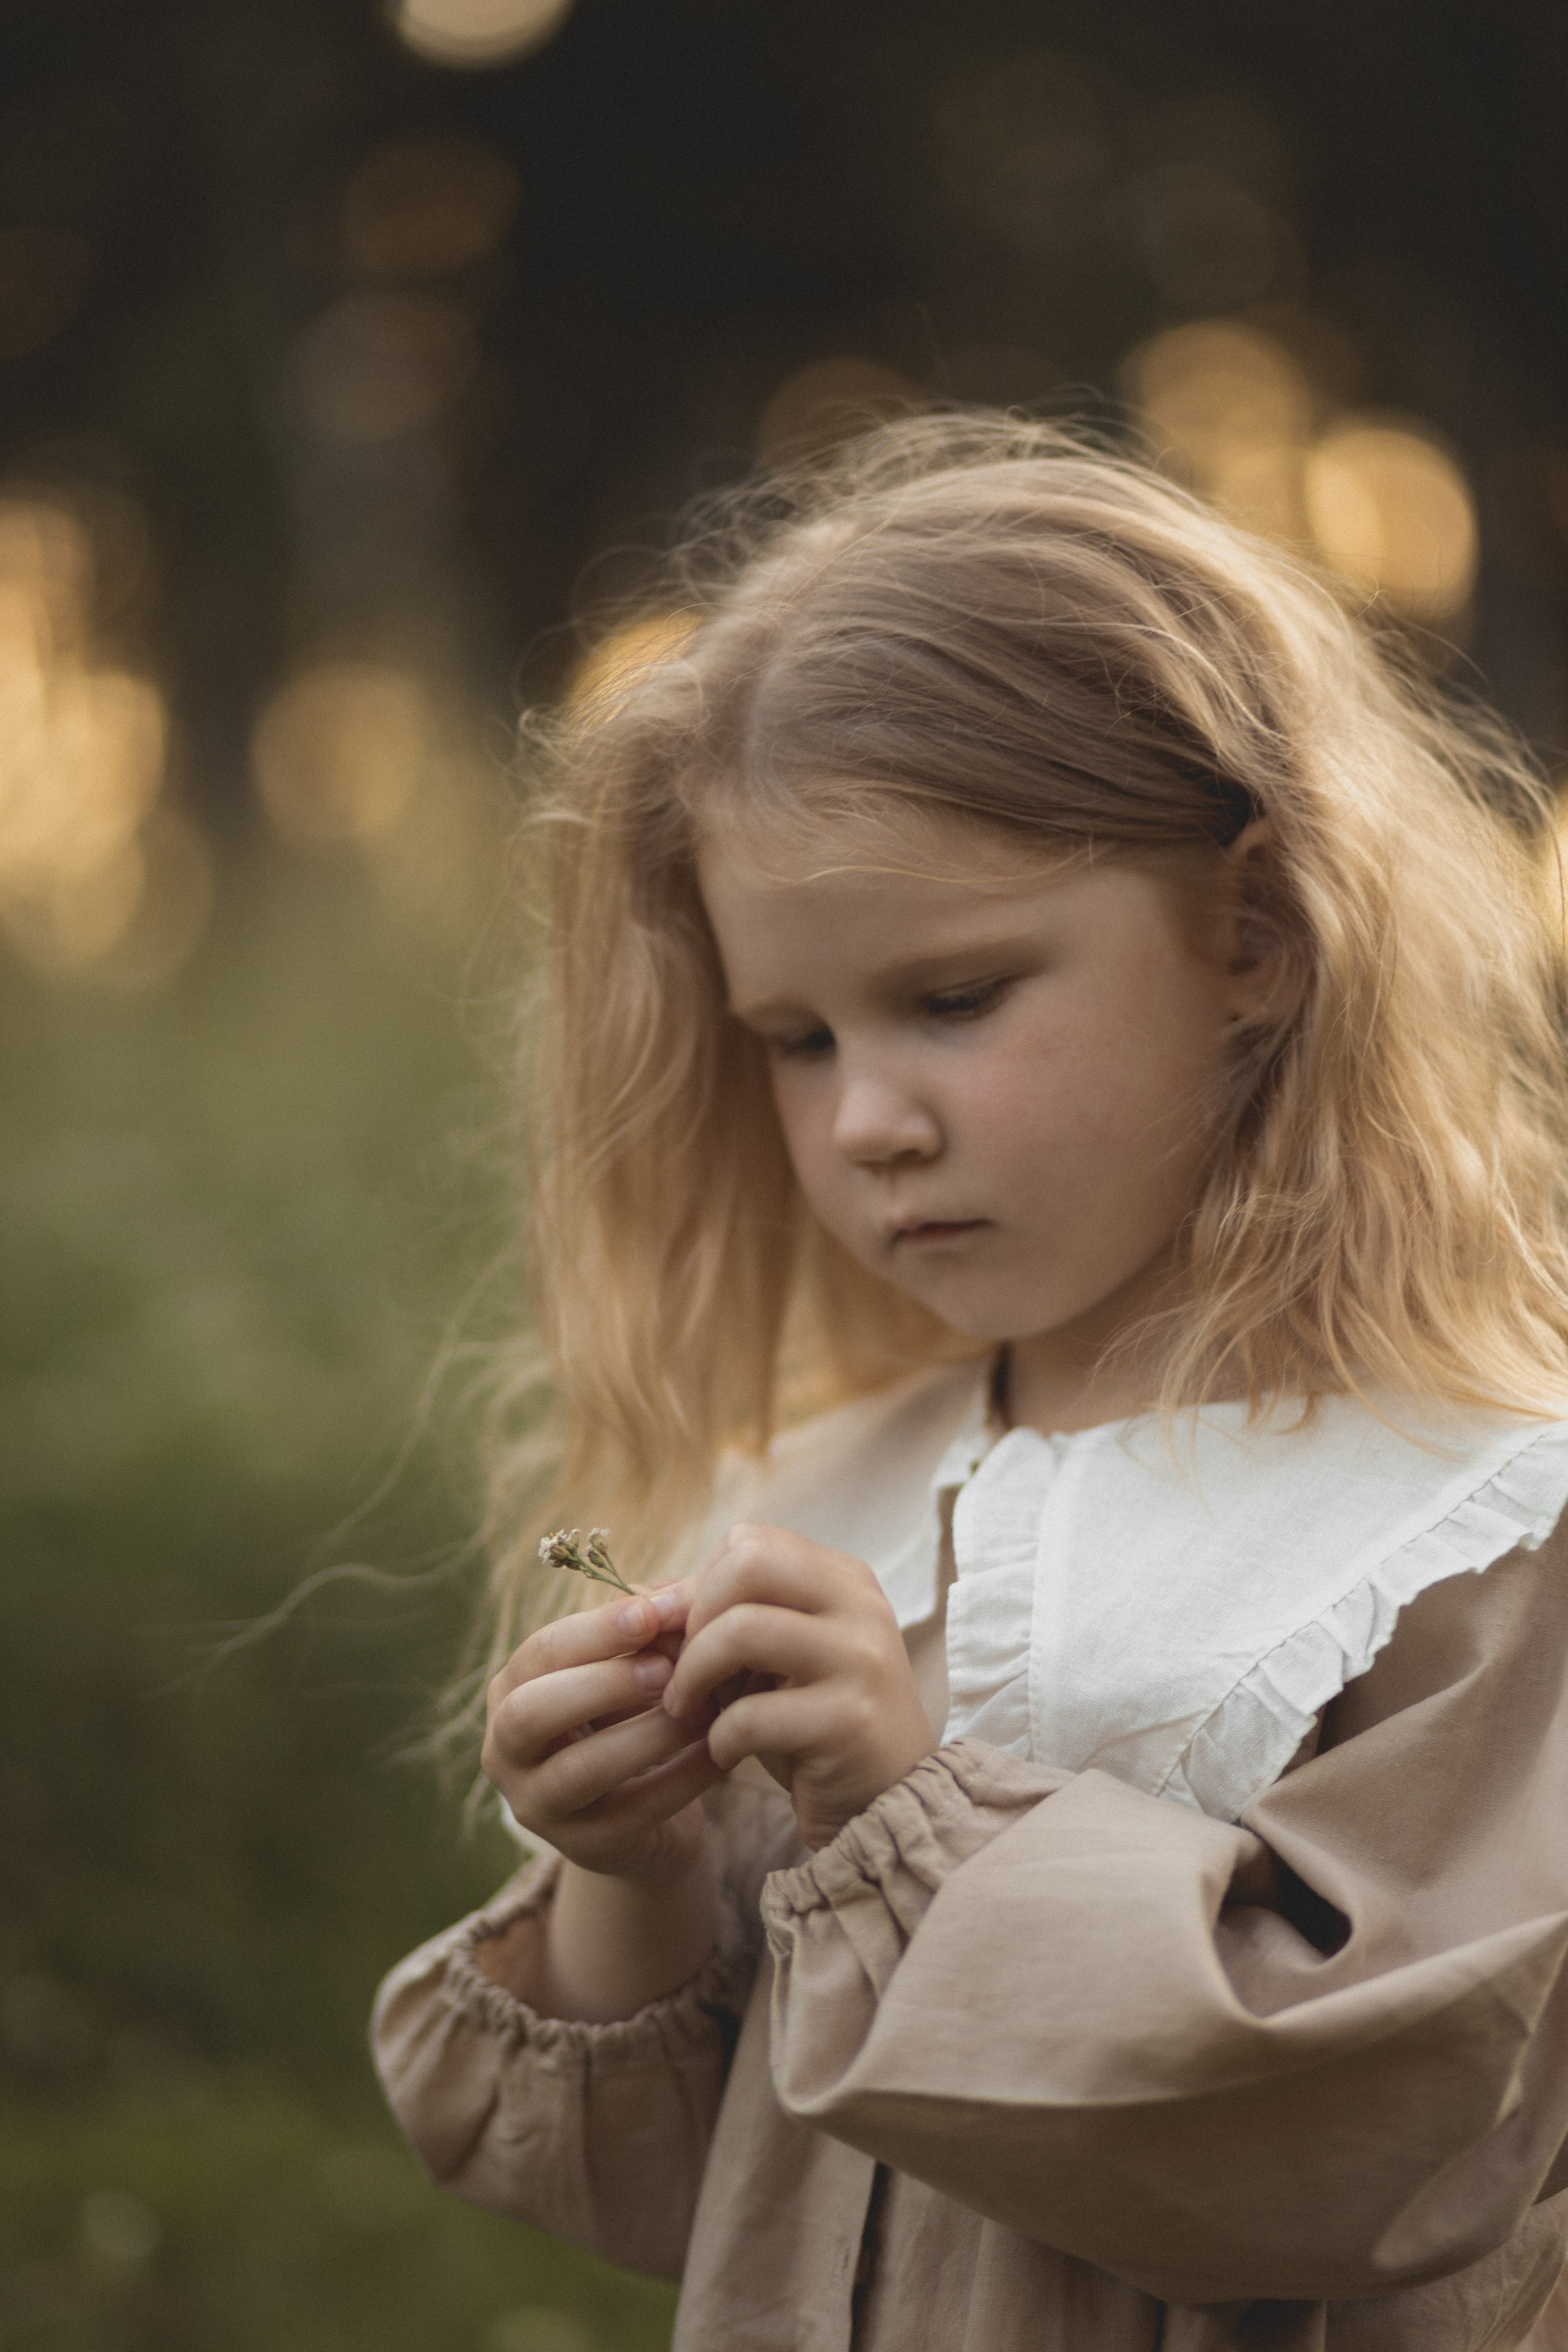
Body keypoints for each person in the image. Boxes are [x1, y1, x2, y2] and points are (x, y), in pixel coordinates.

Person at [371, 415, 1568, 2350]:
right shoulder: (817, 1501)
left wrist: (899, 1811)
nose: (867, 1122)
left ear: (1258, 934)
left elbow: (1385, 2141)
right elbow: (684, 2194)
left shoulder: (1462, 1520)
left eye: (953, 999)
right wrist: (632, 1872)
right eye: (795, 1038)